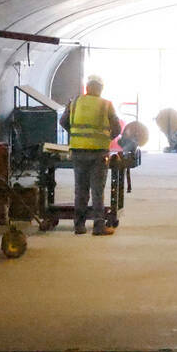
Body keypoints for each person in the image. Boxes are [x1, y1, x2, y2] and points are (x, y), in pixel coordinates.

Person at [59, 75, 122, 236]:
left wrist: (76, 135)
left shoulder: (75, 102)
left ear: (87, 88)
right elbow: (117, 129)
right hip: (99, 153)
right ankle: (98, 226)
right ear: (100, 89)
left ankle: (79, 226)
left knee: (80, 189)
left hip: (78, 152)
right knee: (97, 190)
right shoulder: (106, 105)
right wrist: (106, 138)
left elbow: (63, 121)